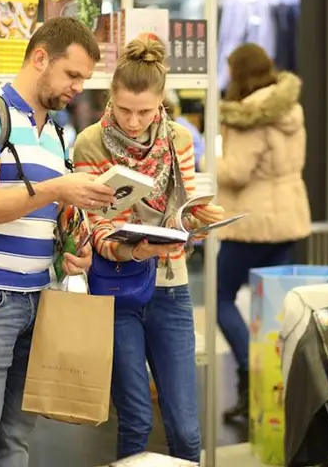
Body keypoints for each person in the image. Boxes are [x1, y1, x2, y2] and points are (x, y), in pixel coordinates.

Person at [0, 17, 116, 467]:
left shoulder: (56, 133)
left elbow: (41, 214)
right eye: (72, 75)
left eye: (83, 79)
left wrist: (71, 251)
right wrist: (59, 189)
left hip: (38, 296)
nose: (78, 87)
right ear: (40, 58)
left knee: (15, 438)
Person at [73, 35, 225, 462]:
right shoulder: (90, 143)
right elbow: (94, 226)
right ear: (110, 98)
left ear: (161, 102)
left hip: (171, 287)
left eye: (145, 111)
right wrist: (132, 250)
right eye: (124, 110)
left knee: (185, 426)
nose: (134, 121)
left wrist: (200, 221)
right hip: (118, 289)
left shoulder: (177, 139)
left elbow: (185, 209)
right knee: (137, 417)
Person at [215, 43, 312, 422]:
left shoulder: (248, 115)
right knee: (270, 306)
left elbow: (236, 171)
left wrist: (208, 158)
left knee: (220, 295)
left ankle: (248, 370)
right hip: (287, 217)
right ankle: (272, 386)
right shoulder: (291, 109)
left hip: (252, 222)